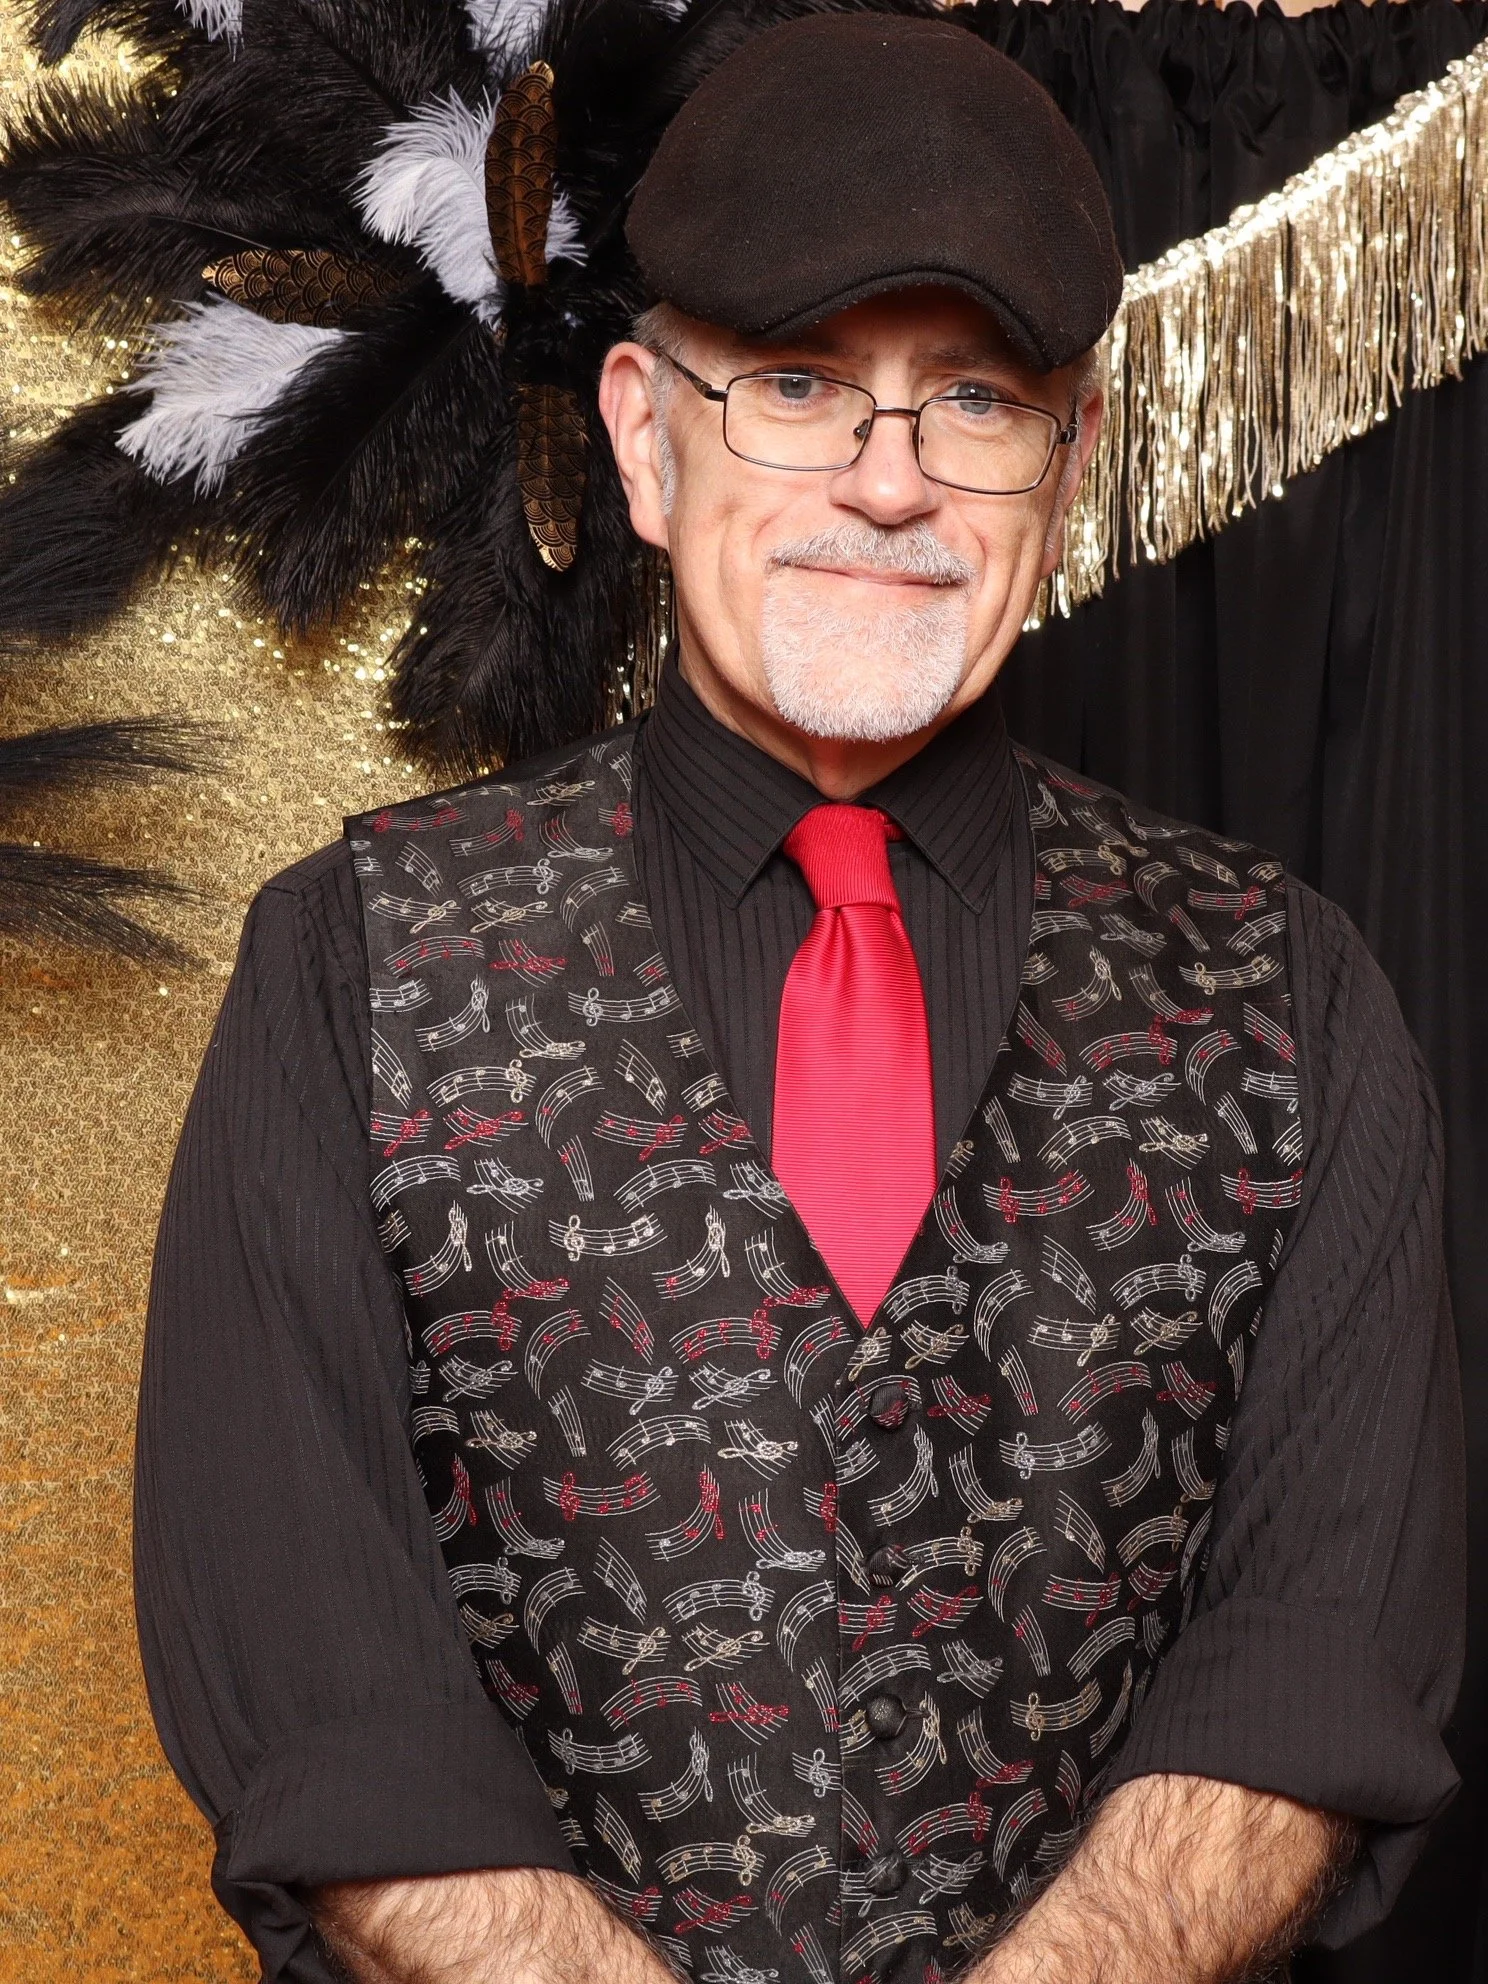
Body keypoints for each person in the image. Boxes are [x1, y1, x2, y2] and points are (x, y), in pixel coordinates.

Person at [135, 15, 1465, 1984]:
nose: (891, 482)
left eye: (976, 403)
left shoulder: (1303, 997)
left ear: (1067, 459)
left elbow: (1319, 1665)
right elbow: (331, 1702)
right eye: (793, 385)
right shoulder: (346, 964)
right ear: (646, 437)